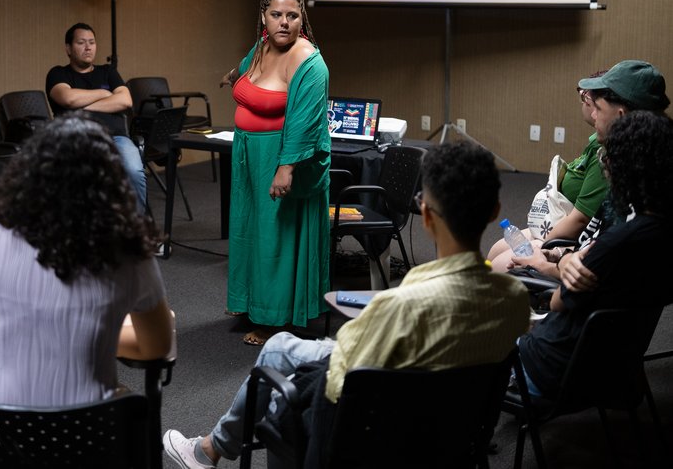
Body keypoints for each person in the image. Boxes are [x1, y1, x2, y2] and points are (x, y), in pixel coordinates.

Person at [162, 141, 530, 469]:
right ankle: (208, 449)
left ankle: (208, 450)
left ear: (427, 215)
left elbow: (339, 379)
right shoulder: (514, 300)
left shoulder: (402, 305)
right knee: (281, 348)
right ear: (496, 209)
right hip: (452, 438)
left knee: (277, 350)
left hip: (376, 439)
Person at [0, 115, 173, 406]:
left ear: (30, 172)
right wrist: (93, 335)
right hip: (89, 431)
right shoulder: (129, 252)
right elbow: (156, 347)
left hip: (7, 430)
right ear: (111, 182)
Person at [519, 110, 673, 400]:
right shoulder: (658, 234)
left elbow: (556, 302)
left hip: (554, 372)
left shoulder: (619, 242)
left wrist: (567, 261)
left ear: (621, 168)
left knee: (472, 338)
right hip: (615, 372)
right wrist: (567, 258)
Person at [218, 0, 331, 346]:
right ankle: (252, 303)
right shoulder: (261, 46)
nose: (284, 23)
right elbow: (245, 69)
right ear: (264, 18)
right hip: (249, 154)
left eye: (292, 16)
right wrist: (233, 77)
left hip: (280, 157)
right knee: (250, 230)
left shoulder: (309, 61)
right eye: (276, 15)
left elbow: (305, 121)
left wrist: (287, 168)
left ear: (302, 19)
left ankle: (275, 318)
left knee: (276, 237)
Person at [534, 59, 669, 294]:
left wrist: (555, 263)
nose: (594, 115)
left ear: (621, 114)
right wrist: (561, 257)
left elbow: (586, 280)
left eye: (598, 108)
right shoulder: (648, 193)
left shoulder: (626, 227)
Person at [486, 72, 610, 274]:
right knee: (494, 253)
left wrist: (544, 246)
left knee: (498, 267)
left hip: (571, 237)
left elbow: (581, 220)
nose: (591, 110)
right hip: (559, 227)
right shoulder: (596, 143)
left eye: (589, 99)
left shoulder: (603, 154)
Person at [45, 23, 146, 211]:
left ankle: (137, 230)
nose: (88, 47)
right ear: (68, 48)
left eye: (92, 42)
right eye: (81, 42)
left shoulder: (108, 71)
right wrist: (104, 93)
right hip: (75, 139)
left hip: (116, 137)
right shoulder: (58, 73)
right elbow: (68, 98)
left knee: (133, 170)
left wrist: (80, 108)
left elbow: (125, 100)